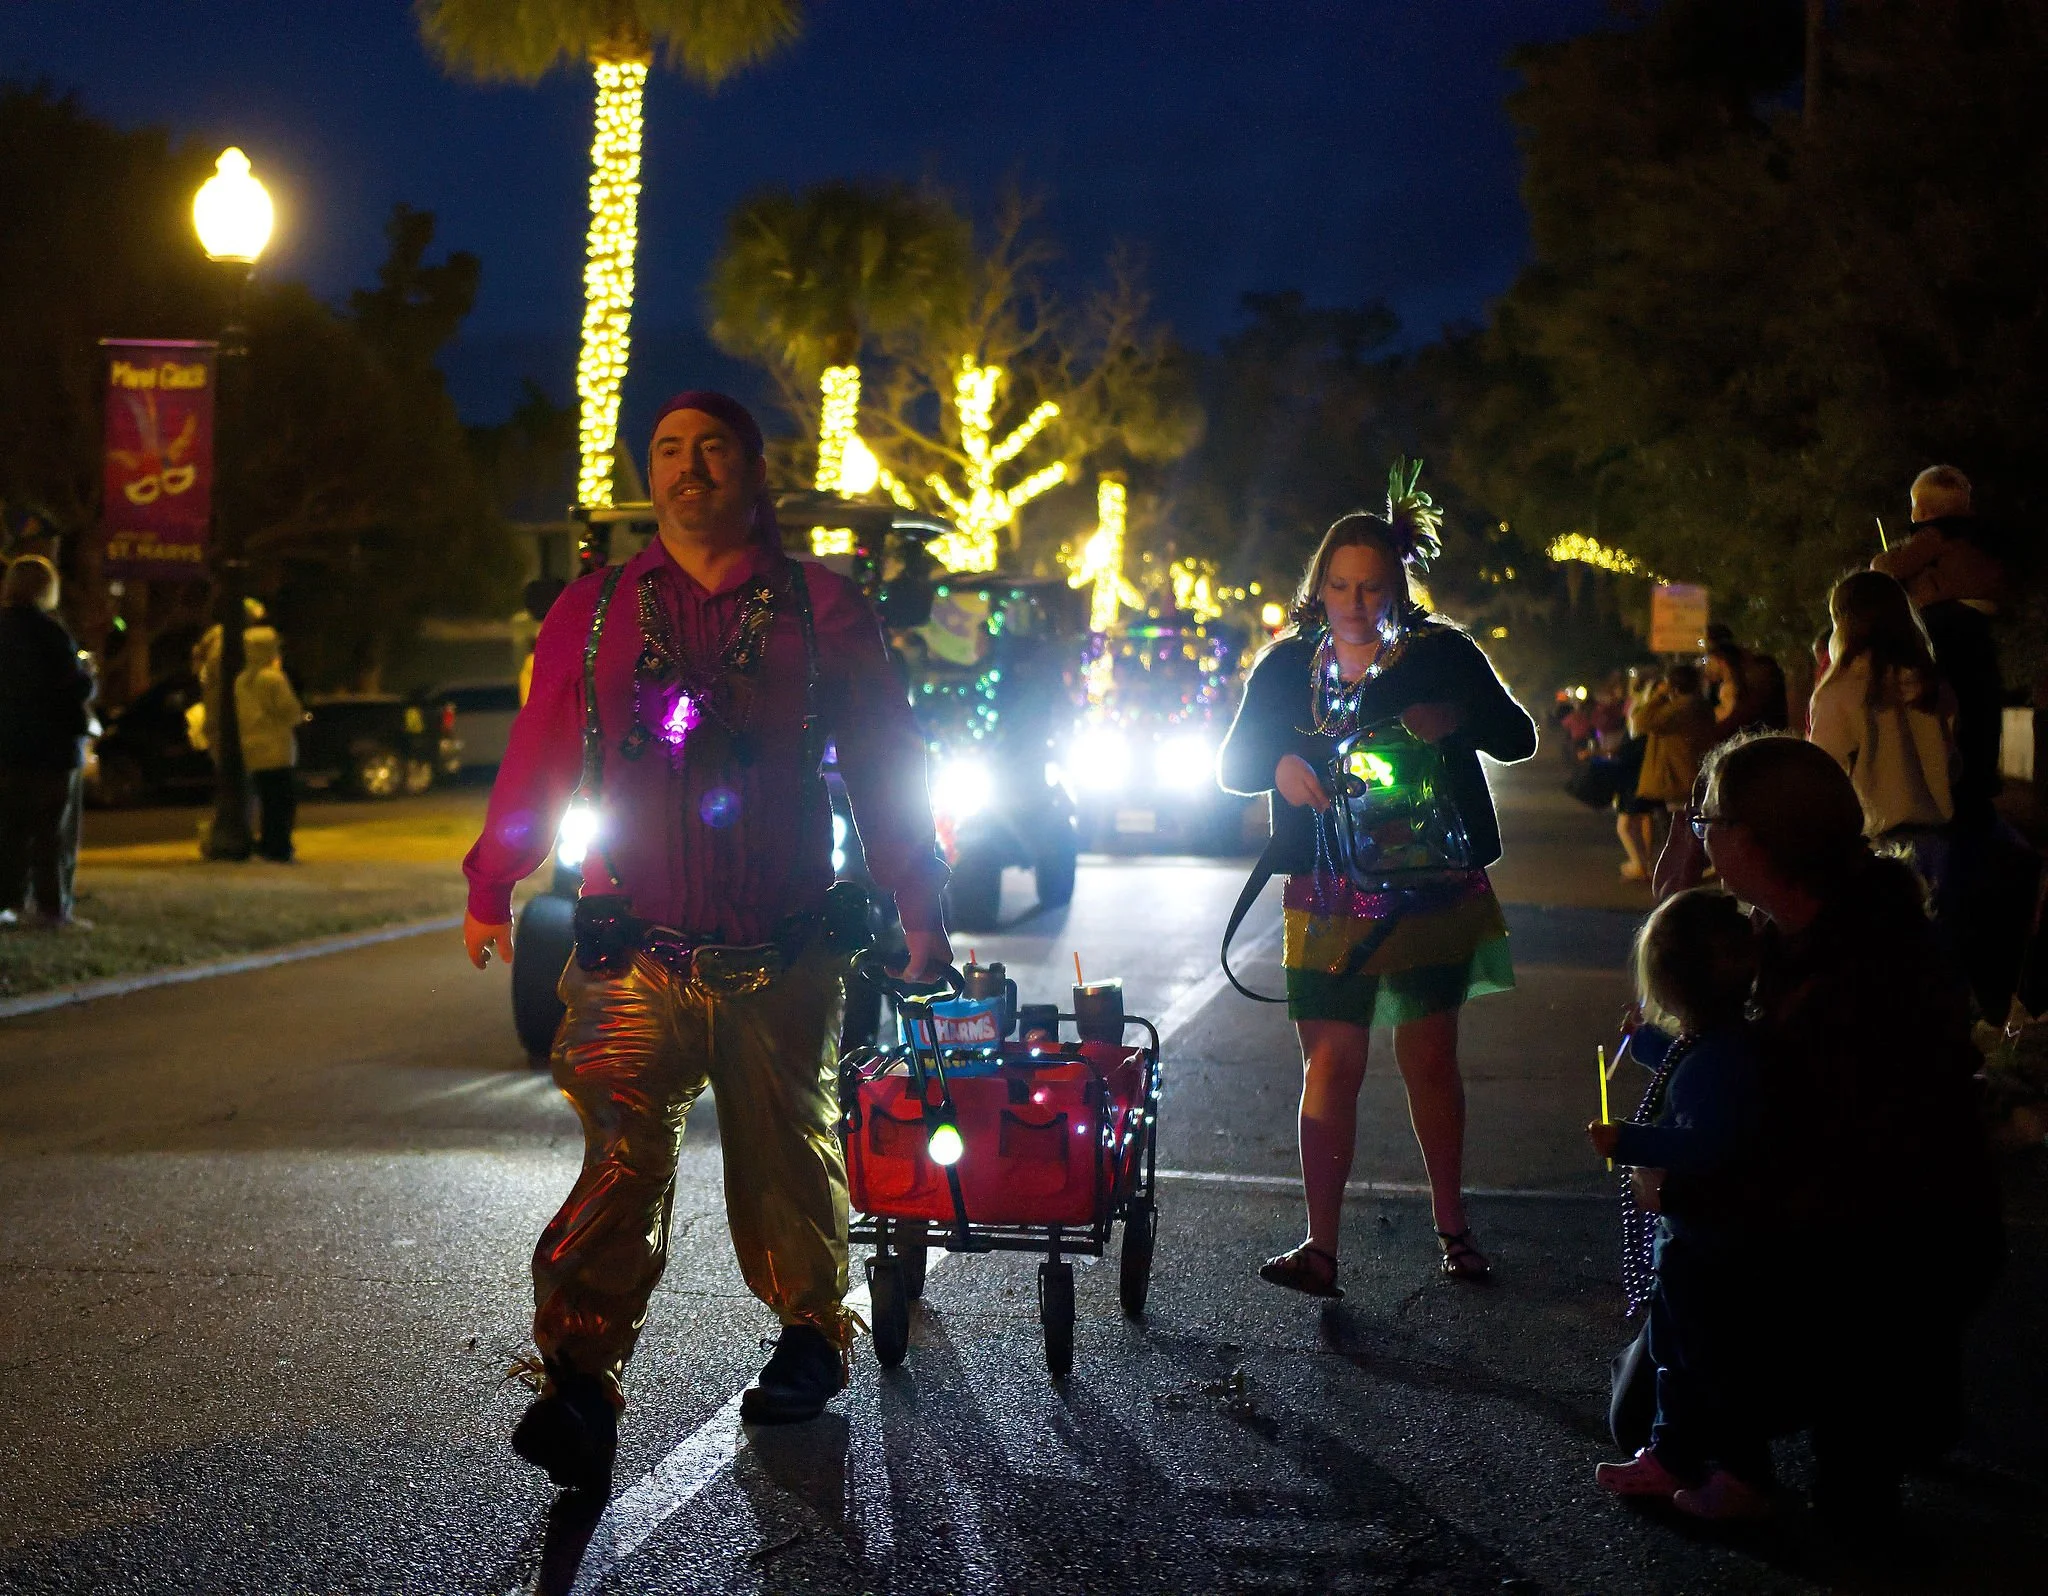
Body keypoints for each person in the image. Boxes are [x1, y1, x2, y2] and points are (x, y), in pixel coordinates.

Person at [462, 392, 950, 1491]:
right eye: (669, 452)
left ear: (753, 470)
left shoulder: (822, 609)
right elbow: (540, 749)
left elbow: (885, 756)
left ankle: (809, 1335)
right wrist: (494, 877)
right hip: (632, 946)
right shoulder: (594, 612)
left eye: (712, 449)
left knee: (785, 1156)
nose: (688, 470)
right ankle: (578, 1384)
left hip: (783, 949)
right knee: (616, 1162)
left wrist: (917, 900)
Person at [1219, 468, 1537, 1293]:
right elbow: (1232, 764)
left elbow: (1520, 738)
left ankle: (1453, 1228)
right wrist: (1279, 764)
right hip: (1325, 893)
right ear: (1317, 588)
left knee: (1430, 1059)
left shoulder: (1443, 655)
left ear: (1398, 585)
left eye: (1372, 587)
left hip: (1430, 889)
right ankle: (1320, 1249)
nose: (1355, 602)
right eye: (1340, 586)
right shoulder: (1288, 667)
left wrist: (1456, 718)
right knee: (1331, 1063)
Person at [1686, 734, 1999, 1527]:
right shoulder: (1820, 928)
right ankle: (1872, 1428)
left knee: (1701, 1261)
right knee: (1646, 1398)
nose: (1699, 833)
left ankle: (1839, 1462)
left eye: (1706, 818)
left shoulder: (1857, 972)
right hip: (1905, 1222)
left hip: (1887, 1241)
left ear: (1754, 840)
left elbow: (1830, 1161)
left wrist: (1687, 1183)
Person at [1589, 890, 1777, 1521]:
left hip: (1709, 1247)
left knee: (1710, 1360)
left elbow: (1705, 1145)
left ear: (1669, 985)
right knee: (1676, 1349)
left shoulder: (1713, 1063)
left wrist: (1630, 1141)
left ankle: (1742, 1476)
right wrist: (1644, 1045)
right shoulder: (1720, 1042)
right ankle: (1669, 1452)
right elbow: (1672, 1059)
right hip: (1690, 1241)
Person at [1806, 571, 1953, 886]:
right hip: (1939, 839)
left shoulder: (1840, 690)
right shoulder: (1928, 683)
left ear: (1842, 623)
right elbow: (1952, 761)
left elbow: (1824, 772)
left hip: (1877, 847)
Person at [0, 555, 95, 929]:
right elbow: (71, 688)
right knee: (49, 834)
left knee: (9, 831)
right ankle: (51, 909)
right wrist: (87, 677)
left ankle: (7, 902)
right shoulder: (50, 633)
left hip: (7, 745)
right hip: (50, 748)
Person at [235, 627, 305, 863]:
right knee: (282, 801)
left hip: (252, 747)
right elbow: (291, 711)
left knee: (267, 799)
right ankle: (279, 847)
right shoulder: (273, 678)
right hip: (276, 747)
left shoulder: (242, 680)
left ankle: (268, 844)